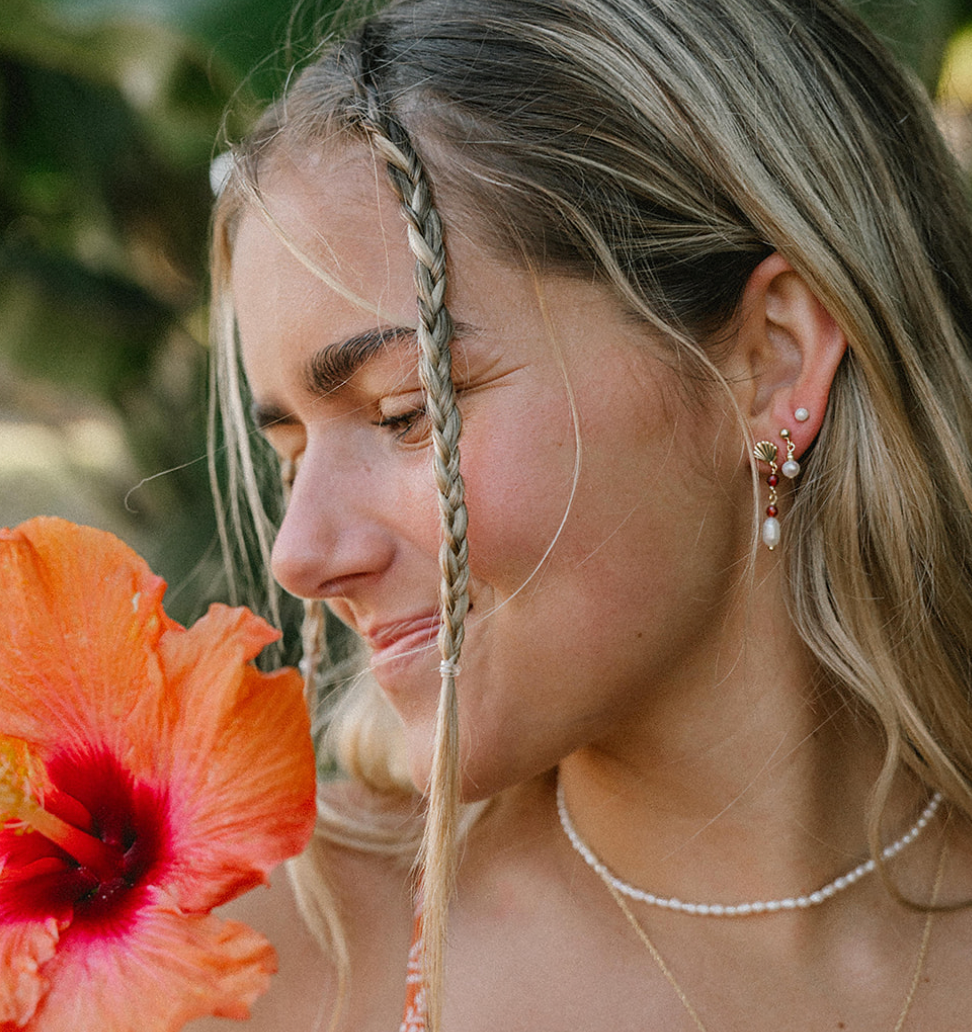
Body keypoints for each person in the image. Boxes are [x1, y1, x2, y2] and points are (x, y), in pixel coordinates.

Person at [194, 0, 972, 1028]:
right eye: (290, 454)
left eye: (406, 413)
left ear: (769, 361)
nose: (299, 555)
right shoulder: (243, 964)